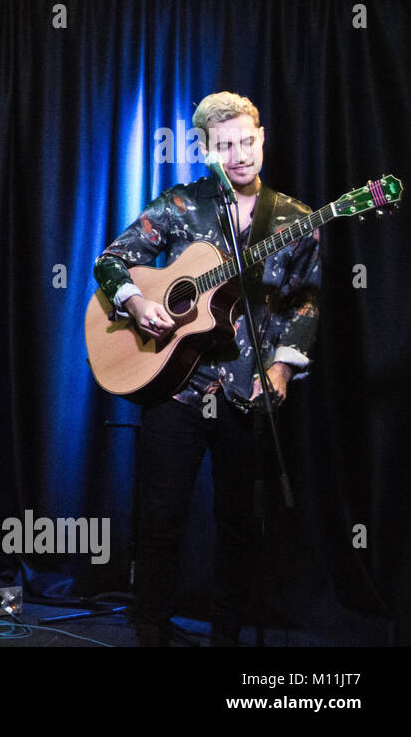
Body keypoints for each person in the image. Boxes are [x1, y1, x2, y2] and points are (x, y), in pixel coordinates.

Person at [94, 91, 321, 646]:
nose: (239, 155)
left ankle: (227, 636)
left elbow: (307, 302)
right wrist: (137, 302)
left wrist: (283, 371)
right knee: (160, 517)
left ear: (262, 138)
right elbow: (111, 260)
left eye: (247, 141)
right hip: (176, 388)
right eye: (225, 146)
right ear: (204, 150)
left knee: (241, 524)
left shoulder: (294, 218)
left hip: (248, 392)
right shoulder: (179, 205)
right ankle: (149, 628)